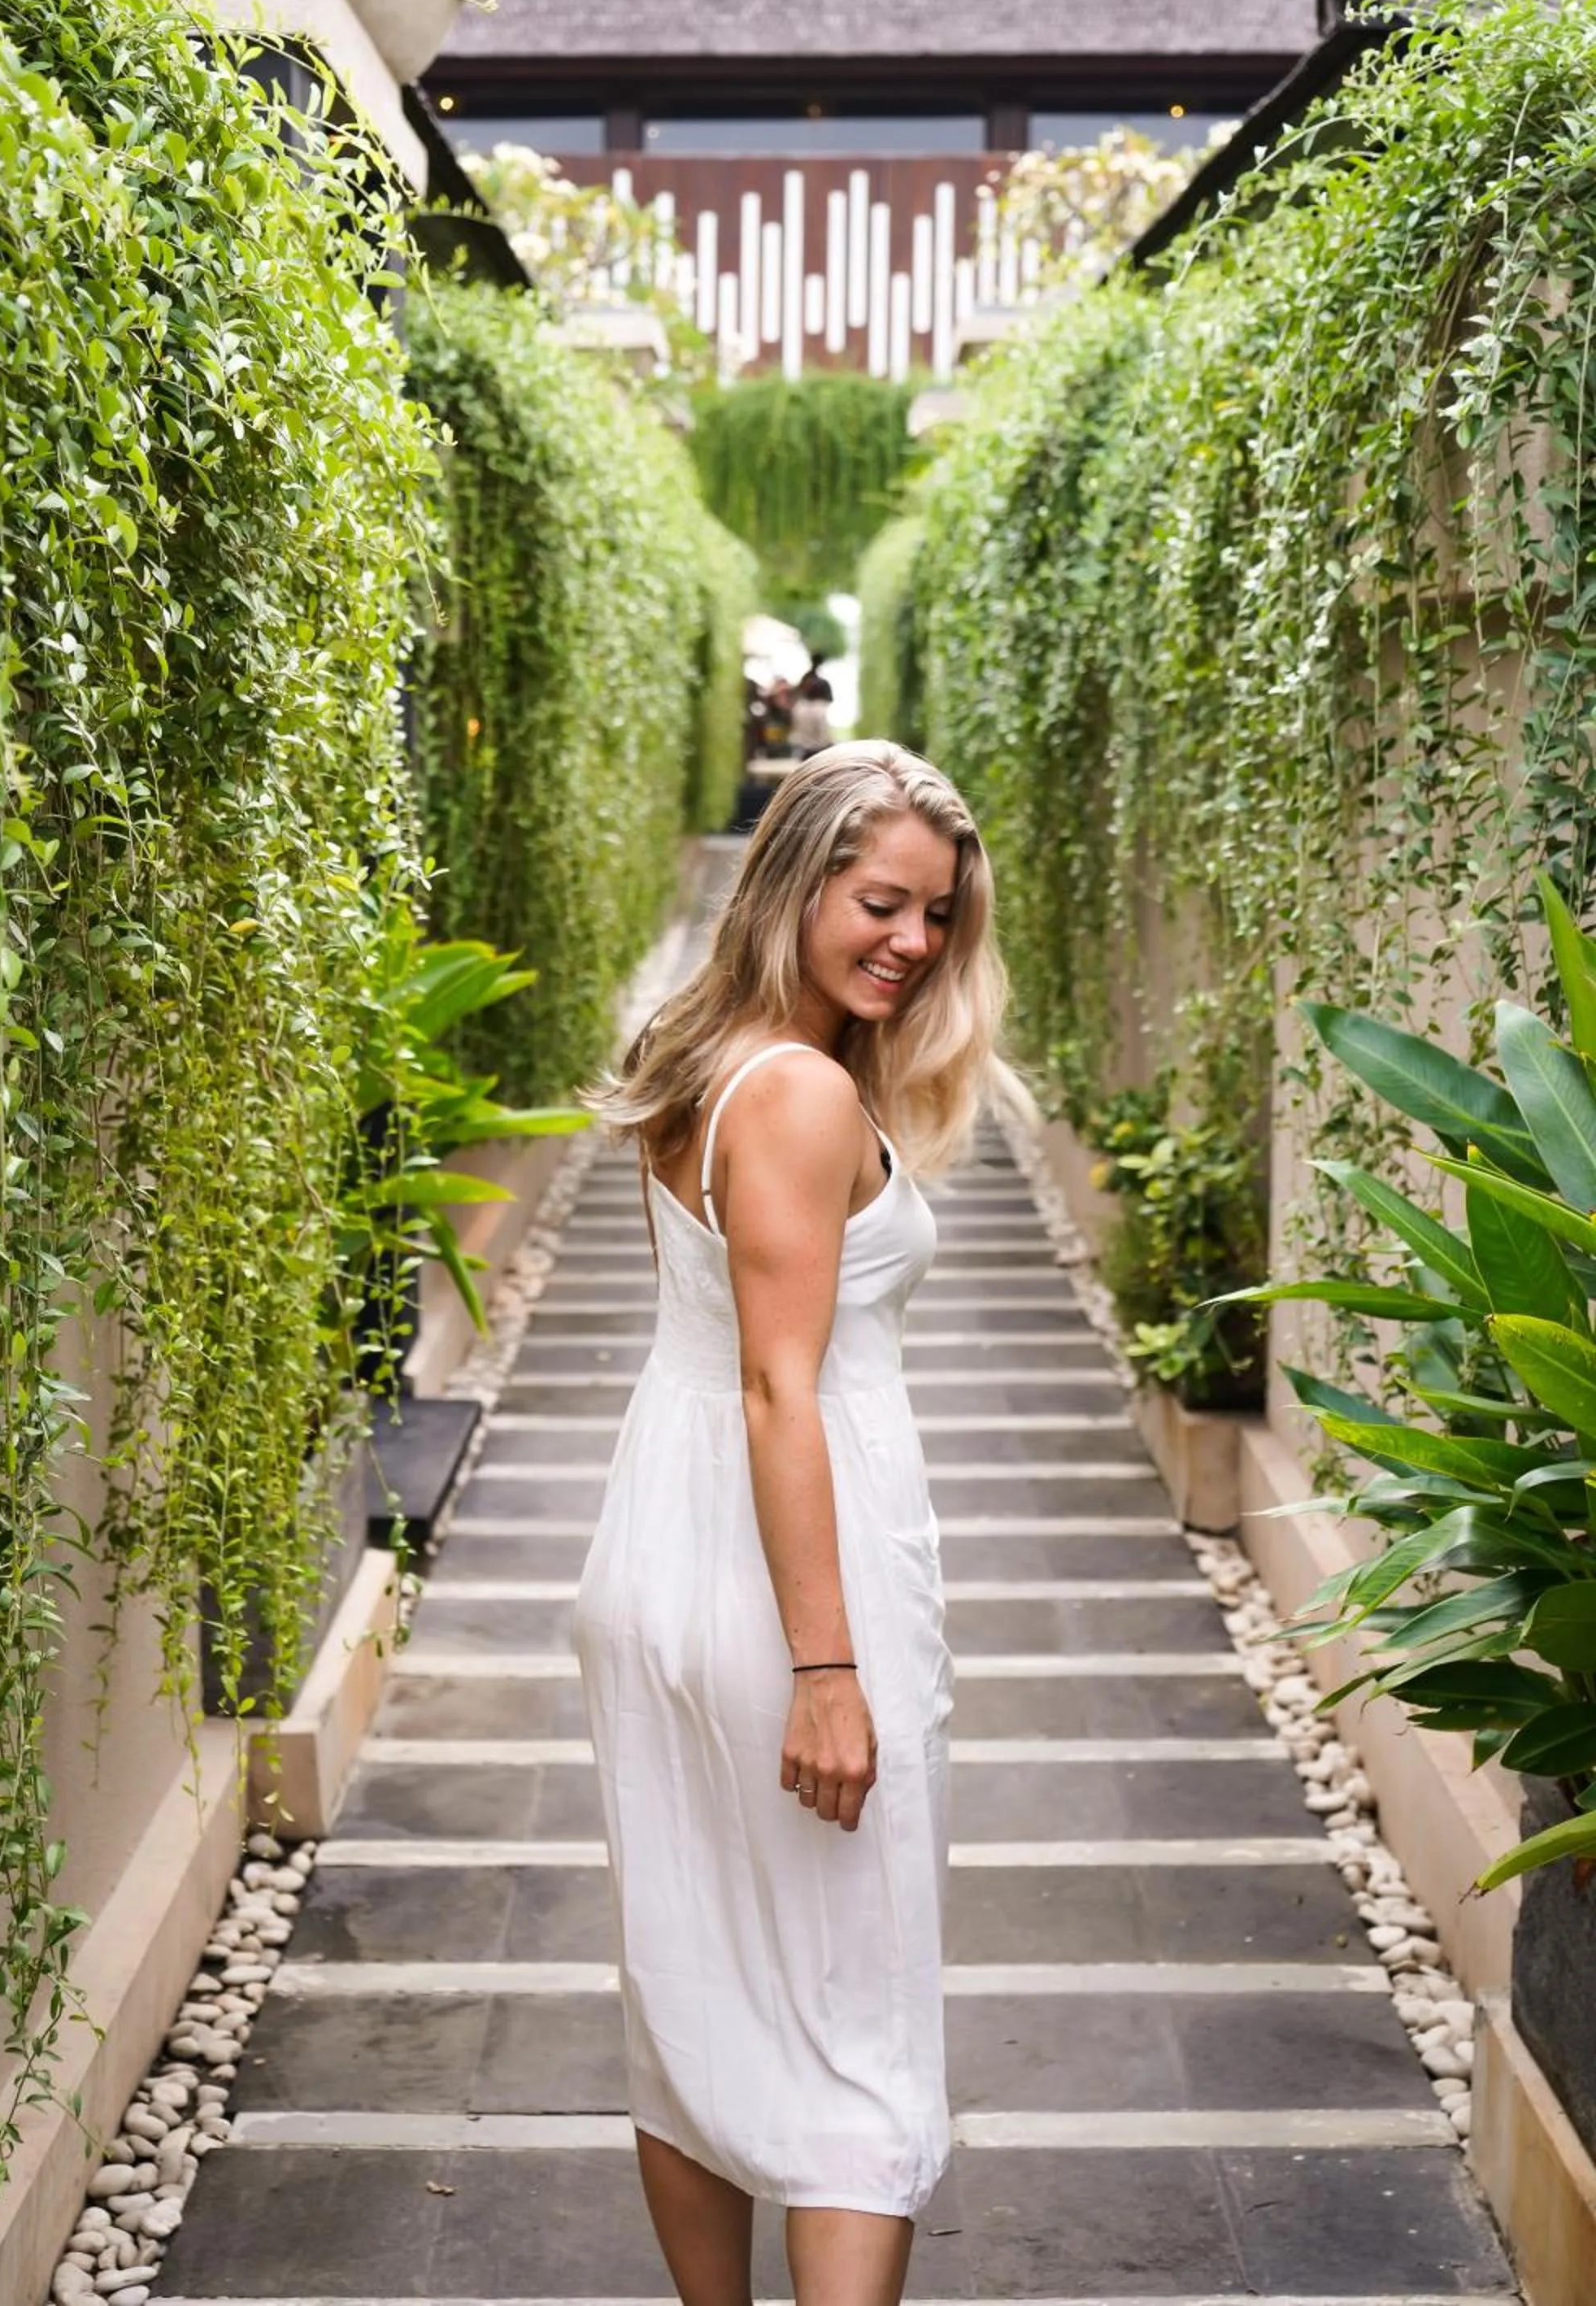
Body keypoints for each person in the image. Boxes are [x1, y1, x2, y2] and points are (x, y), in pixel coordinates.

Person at [576, 742, 1012, 2306]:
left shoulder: (706, 1053)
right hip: (788, 1575)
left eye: (936, 919)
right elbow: (782, 1389)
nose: (910, 941)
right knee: (859, 2033)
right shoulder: (807, 1091)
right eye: (878, 902)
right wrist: (827, 1670)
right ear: (794, 881)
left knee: (693, 1992)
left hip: (669, 1544)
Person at [789, 666, 835, 759]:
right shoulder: (821, 708)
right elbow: (824, 735)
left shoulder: (799, 707)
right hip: (820, 752)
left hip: (803, 751)